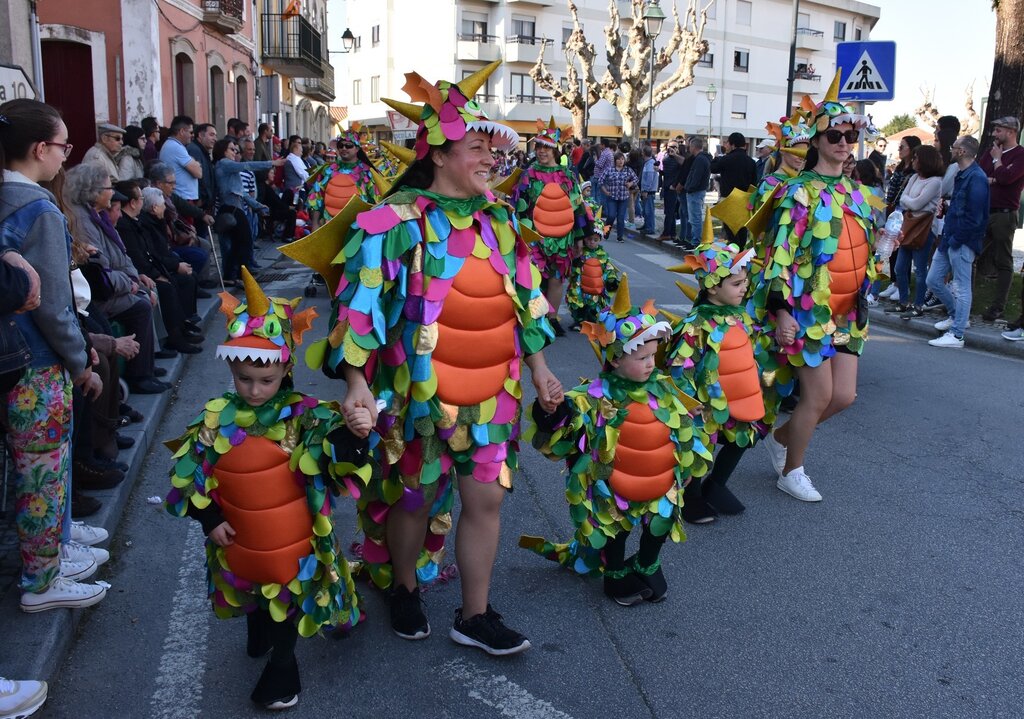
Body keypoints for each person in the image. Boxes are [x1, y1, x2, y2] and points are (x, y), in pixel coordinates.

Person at [282, 59, 563, 655]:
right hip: (417, 396)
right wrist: (356, 382)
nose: (492, 158)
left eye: (496, 149)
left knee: (485, 498)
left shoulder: (502, 220)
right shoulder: (391, 224)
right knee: (411, 499)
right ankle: (404, 586)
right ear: (437, 151)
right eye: (477, 146)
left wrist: (540, 370)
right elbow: (359, 311)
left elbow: (524, 302)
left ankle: (476, 613)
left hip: (493, 390)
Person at [164, 269, 370, 710]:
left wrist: (353, 436)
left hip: (293, 540)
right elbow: (188, 474)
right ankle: (258, 626)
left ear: (286, 371)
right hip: (237, 534)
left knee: (287, 592)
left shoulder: (306, 417)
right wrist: (209, 518)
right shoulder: (216, 417)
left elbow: (338, 468)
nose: (255, 390)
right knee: (251, 587)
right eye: (244, 379)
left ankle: (284, 669)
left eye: (266, 380)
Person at [522, 276, 711, 605]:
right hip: (615, 488)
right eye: (641, 358)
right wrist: (550, 410)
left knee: (661, 522)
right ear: (615, 359)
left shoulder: (663, 388)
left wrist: (692, 442)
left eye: (653, 354)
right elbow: (565, 427)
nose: (651, 363)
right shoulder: (595, 396)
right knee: (616, 528)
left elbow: (682, 425)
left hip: (662, 482)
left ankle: (647, 563)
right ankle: (616, 575)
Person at [0, 98, 108, 612]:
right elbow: (54, 305)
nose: (67, 155)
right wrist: (80, 361)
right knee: (42, 470)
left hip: (11, 355)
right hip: (38, 361)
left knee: (32, 469)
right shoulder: (39, 209)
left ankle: (55, 550)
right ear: (39, 149)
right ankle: (43, 581)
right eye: (63, 145)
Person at [750, 72, 878, 502]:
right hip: (808, 311)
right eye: (834, 136)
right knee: (818, 395)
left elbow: (861, 250)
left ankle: (783, 437)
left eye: (849, 136)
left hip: (847, 311)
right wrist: (781, 310)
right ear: (818, 142)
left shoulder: (858, 193)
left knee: (844, 396)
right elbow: (778, 256)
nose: (843, 143)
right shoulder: (797, 193)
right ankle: (792, 470)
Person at [667, 227, 773, 521]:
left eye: (745, 281)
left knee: (746, 435)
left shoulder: (740, 315)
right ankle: (692, 494)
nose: (744, 287)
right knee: (703, 444)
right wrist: (687, 401)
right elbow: (680, 365)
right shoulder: (695, 325)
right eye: (737, 283)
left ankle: (718, 484)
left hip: (739, 396)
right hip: (707, 401)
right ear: (713, 286)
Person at [65, 163, 167, 393]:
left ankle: (146, 364)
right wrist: (130, 284)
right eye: (109, 186)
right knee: (140, 306)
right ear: (93, 190)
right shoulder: (83, 221)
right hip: (100, 293)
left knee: (148, 292)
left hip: (114, 284)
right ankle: (140, 375)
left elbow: (119, 257)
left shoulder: (94, 216)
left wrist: (135, 280)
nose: (112, 191)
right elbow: (100, 269)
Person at [510, 118, 594, 336]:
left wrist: (579, 238)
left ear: (555, 149)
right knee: (533, 276)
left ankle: (552, 318)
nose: (541, 151)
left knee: (556, 278)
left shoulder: (567, 175)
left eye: (546, 147)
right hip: (534, 236)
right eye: (538, 146)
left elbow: (577, 208)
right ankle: (531, 317)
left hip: (561, 237)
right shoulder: (528, 174)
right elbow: (519, 206)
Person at [116, 182, 203, 353]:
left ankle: (182, 327)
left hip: (149, 269)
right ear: (133, 203)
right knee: (167, 287)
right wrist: (157, 274)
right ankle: (174, 337)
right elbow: (137, 257)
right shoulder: (126, 225)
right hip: (140, 274)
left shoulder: (137, 221)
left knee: (175, 280)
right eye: (140, 198)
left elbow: (151, 252)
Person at [926, 136, 989, 348]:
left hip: (961, 240)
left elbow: (975, 217)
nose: (951, 150)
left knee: (962, 287)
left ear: (962, 151)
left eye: (954, 147)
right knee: (933, 279)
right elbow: (962, 207)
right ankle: (957, 316)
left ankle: (957, 334)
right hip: (950, 237)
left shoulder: (977, 177)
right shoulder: (961, 174)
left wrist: (957, 239)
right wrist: (947, 209)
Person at [212, 137, 282, 283]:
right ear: (223, 151)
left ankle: (235, 274)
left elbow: (242, 192)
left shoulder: (228, 166)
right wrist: (272, 163)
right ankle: (237, 274)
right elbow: (247, 165)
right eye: (232, 149)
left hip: (235, 207)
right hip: (230, 208)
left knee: (240, 242)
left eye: (236, 150)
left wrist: (257, 205)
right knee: (243, 241)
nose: (235, 152)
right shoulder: (224, 164)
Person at [977, 116, 1024, 322]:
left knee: (1003, 260)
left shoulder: (1020, 154)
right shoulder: (989, 152)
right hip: (984, 211)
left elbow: (1006, 178)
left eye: (998, 130)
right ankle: (960, 300)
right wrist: (996, 175)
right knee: (969, 255)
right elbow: (979, 176)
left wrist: (997, 163)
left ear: (1011, 132)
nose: (994, 134)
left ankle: (998, 307)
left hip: (1005, 214)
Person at [890, 145, 944, 318]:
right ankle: (903, 302)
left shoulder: (935, 182)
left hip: (924, 228)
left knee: (920, 269)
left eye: (916, 158)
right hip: (909, 225)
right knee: (900, 267)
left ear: (925, 160)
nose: (913, 161)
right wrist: (910, 201)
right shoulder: (913, 178)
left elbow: (915, 204)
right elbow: (905, 200)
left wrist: (909, 201)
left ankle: (919, 304)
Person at [305, 127, 380, 231]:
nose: (344, 148)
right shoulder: (328, 170)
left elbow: (377, 203)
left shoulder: (367, 172)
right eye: (341, 145)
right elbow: (316, 197)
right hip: (329, 227)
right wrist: (315, 224)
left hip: (356, 231)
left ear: (357, 148)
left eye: (348, 145)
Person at [877, 135, 921, 303]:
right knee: (892, 250)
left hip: (904, 212)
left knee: (900, 247)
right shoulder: (901, 167)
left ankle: (902, 285)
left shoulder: (914, 171)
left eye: (902, 147)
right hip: (894, 209)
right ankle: (894, 281)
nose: (899, 150)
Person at [565, 228, 620, 330]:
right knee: (577, 302)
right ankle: (579, 321)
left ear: (600, 240)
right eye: (589, 239)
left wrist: (611, 279)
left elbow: (608, 268)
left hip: (596, 285)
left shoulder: (602, 254)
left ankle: (591, 321)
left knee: (594, 305)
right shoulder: (580, 252)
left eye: (595, 240)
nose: (592, 242)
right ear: (585, 239)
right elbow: (572, 266)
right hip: (580, 284)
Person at [710, 132, 757, 242]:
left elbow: (713, 168)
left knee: (730, 230)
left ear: (732, 144)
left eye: (727, 143)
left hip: (729, 199)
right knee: (742, 229)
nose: (726, 146)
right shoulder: (751, 161)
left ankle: (734, 255)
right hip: (745, 199)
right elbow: (754, 183)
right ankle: (741, 254)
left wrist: (716, 158)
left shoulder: (726, 159)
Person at [158, 115, 203, 205]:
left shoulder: (174, 145)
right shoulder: (175, 147)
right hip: (182, 198)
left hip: (181, 197)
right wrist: (196, 163)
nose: (193, 135)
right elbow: (198, 173)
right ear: (182, 131)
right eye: (190, 132)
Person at [600, 151, 638, 243]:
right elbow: (601, 181)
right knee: (611, 216)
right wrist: (605, 191)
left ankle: (620, 237)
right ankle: (606, 233)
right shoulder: (609, 169)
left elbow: (636, 178)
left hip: (623, 197)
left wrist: (630, 183)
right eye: (618, 159)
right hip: (612, 197)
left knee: (621, 217)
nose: (621, 161)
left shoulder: (628, 170)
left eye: (622, 159)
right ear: (615, 160)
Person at [682, 136, 712, 248]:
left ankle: (696, 242)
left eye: (690, 146)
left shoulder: (700, 159)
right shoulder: (702, 158)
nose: (688, 148)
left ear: (694, 147)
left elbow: (696, 177)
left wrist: (689, 187)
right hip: (697, 191)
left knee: (695, 218)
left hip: (695, 192)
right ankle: (695, 240)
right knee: (695, 217)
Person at [659, 141, 682, 241]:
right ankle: (672, 233)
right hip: (667, 187)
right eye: (670, 147)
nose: (671, 149)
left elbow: (683, 166)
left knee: (670, 212)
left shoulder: (678, 159)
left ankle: (667, 233)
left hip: (673, 188)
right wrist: (659, 171)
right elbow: (667, 172)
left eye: (674, 147)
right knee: (670, 212)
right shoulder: (666, 158)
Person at [639, 144, 658, 234]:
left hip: (649, 191)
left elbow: (649, 178)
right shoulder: (648, 163)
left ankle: (650, 228)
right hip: (646, 190)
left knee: (648, 210)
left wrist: (646, 189)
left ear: (644, 153)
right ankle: (646, 225)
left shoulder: (650, 164)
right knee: (645, 210)